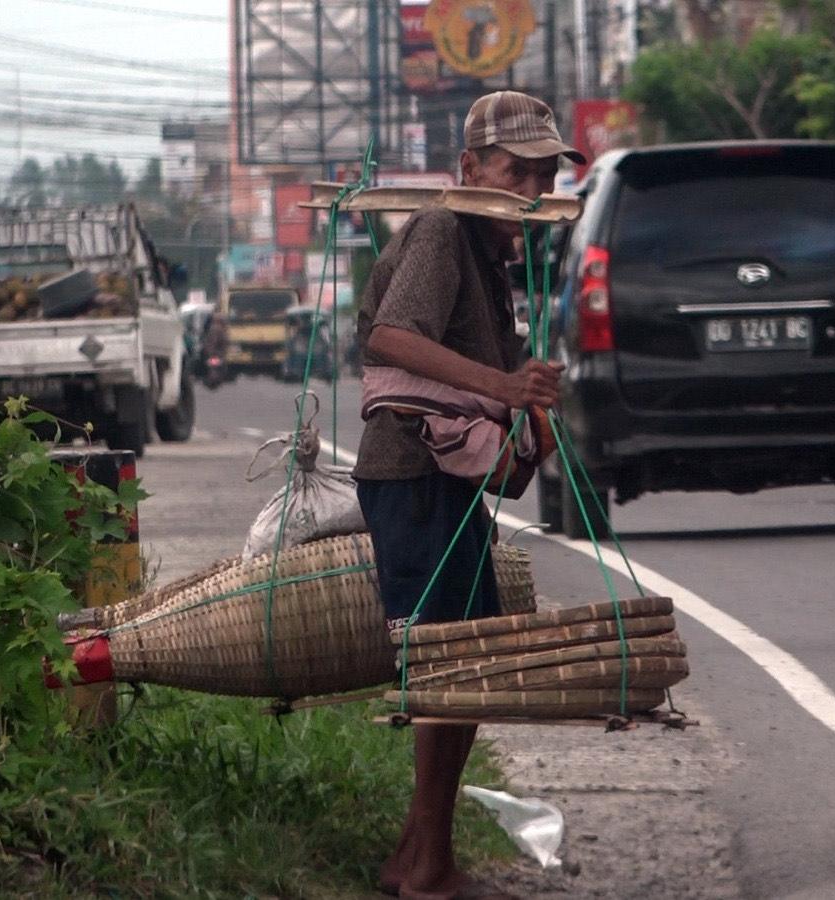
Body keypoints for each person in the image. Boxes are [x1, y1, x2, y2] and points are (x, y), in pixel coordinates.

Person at [354, 90, 584, 900]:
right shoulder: (446, 228)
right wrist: (500, 382)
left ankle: (420, 854)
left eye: (543, 174)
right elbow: (391, 336)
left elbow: (505, 384)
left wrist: (530, 407)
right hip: (411, 476)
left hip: (446, 482)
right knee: (447, 669)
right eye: (514, 170)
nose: (529, 190)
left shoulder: (495, 259)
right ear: (470, 169)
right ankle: (427, 866)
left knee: (466, 664)